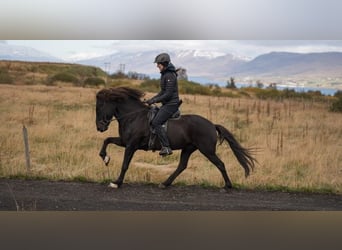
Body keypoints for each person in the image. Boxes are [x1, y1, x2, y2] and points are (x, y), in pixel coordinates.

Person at [146, 53, 180, 156]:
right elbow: (162, 92)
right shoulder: (165, 74)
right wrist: (152, 99)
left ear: (164, 64)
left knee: (156, 122)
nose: (157, 66)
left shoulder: (169, 75)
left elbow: (168, 94)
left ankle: (166, 147)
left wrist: (155, 100)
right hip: (167, 104)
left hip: (171, 104)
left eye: (159, 64)